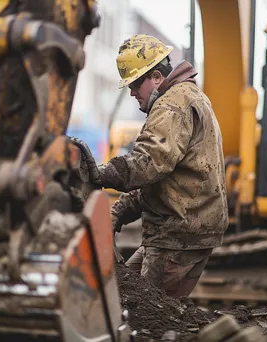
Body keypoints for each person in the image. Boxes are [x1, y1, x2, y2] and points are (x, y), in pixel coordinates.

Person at [89, 34, 229, 298]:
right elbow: (160, 179)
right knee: (122, 293)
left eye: (134, 84)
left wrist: (100, 174)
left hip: (177, 234)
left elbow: (148, 163)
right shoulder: (184, 97)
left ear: (155, 77)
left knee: (141, 311)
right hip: (181, 227)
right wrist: (118, 213)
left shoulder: (172, 106)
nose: (131, 93)